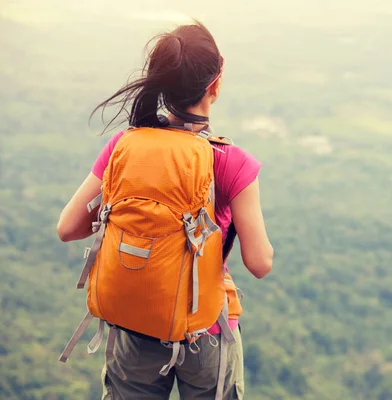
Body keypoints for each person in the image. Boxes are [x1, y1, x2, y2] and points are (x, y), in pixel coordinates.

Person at [56, 20, 274, 400]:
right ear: (214, 85)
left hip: (135, 326)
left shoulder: (125, 145)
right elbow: (259, 263)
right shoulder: (230, 160)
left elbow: (68, 228)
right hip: (207, 331)